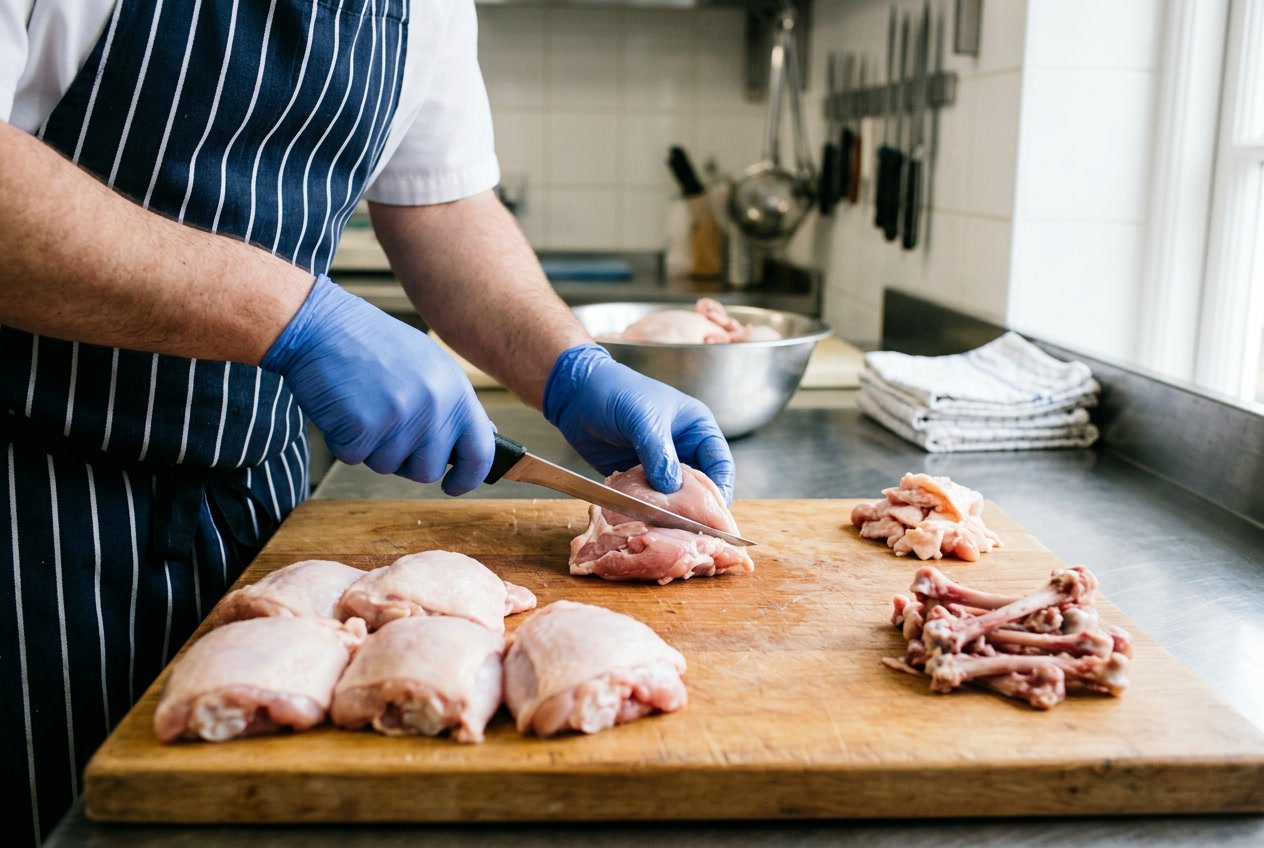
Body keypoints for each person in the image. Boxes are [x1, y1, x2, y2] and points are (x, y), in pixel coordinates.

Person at [0, 1, 734, 843]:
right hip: (28, 503)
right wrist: (291, 316)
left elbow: (443, 205)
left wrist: (570, 367)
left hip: (255, 500)